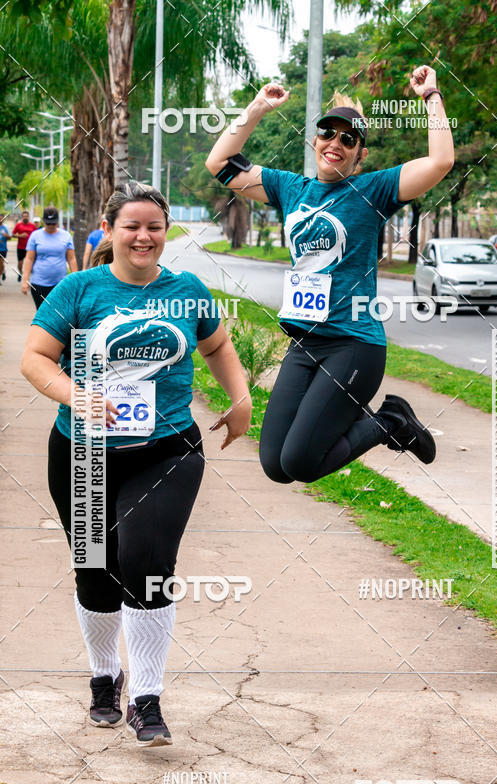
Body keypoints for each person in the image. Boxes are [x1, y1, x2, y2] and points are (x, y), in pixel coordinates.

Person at [21, 181, 252, 747]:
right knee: (96, 569)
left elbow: (218, 346)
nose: (144, 236)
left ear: (166, 231)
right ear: (111, 231)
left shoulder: (188, 291)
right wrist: (77, 395)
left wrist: (240, 398)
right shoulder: (80, 289)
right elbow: (34, 357)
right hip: (85, 451)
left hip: (168, 449)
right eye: (133, 226)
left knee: (147, 560)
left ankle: (147, 700)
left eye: (154, 226)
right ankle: (106, 676)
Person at [206, 65, 454, 484]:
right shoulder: (290, 189)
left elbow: (441, 160)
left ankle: (390, 422)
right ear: (315, 139)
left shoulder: (372, 191)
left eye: (348, 138)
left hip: (353, 344)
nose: (335, 142)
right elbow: (219, 162)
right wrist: (258, 107)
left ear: (360, 154)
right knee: (275, 465)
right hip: (304, 344)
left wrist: (431, 96)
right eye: (327, 132)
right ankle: (379, 419)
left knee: (302, 463)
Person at [21, 206, 77, 309]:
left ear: (57, 221)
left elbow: (71, 259)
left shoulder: (66, 236)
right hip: (39, 283)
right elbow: (29, 259)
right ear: (44, 221)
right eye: (48, 223)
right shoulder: (35, 236)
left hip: (60, 284)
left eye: (53, 223)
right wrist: (25, 280)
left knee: (59, 314)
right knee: (43, 314)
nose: (51, 226)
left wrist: (75, 280)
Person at [12, 210, 37, 281]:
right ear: (22, 217)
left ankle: (30, 276)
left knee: (31, 262)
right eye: (24, 216)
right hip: (20, 247)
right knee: (20, 263)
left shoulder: (32, 225)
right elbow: (12, 234)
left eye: (26, 216)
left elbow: (36, 235)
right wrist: (20, 235)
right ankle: (20, 273)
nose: (25, 217)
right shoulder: (18, 225)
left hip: (30, 248)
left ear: (28, 217)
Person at [0, 216, 10, 282]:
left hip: (3, 249)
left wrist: (6, 235)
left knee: (1, 263)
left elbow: (10, 238)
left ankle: (0, 277)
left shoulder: (5, 228)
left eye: (1, 218)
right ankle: (3, 271)